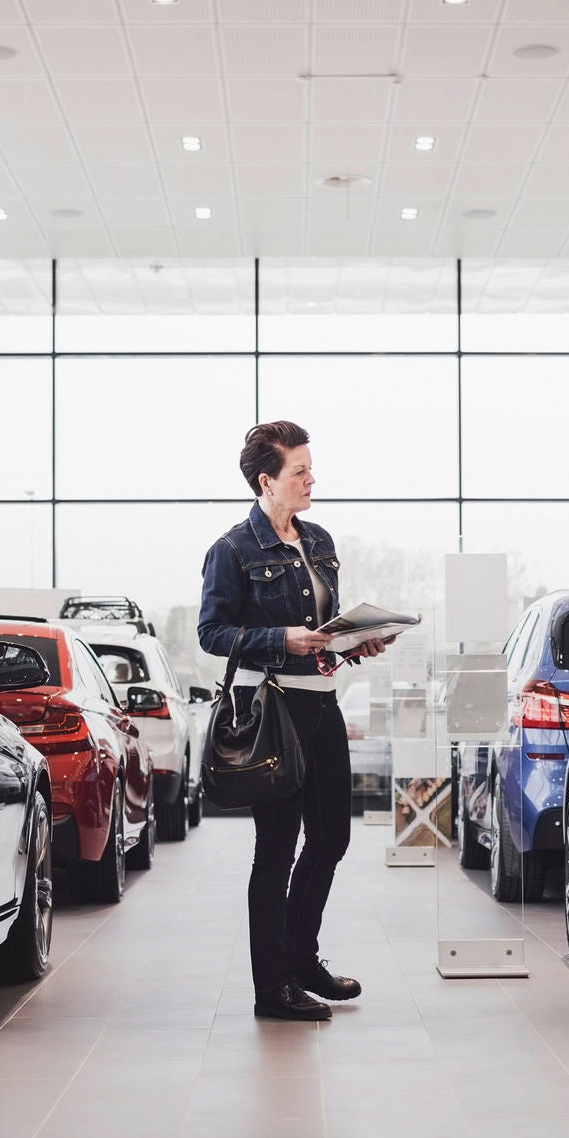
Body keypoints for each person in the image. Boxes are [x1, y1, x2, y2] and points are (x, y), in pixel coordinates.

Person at [199, 421, 388, 1022]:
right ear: (266, 481)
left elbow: (323, 633)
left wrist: (350, 645)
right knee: (275, 849)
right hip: (272, 711)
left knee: (333, 836)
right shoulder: (231, 550)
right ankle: (271, 988)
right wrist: (283, 637)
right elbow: (212, 633)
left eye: (310, 468)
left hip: (322, 703)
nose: (312, 479)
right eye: (299, 471)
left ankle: (303, 961)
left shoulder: (320, 540)